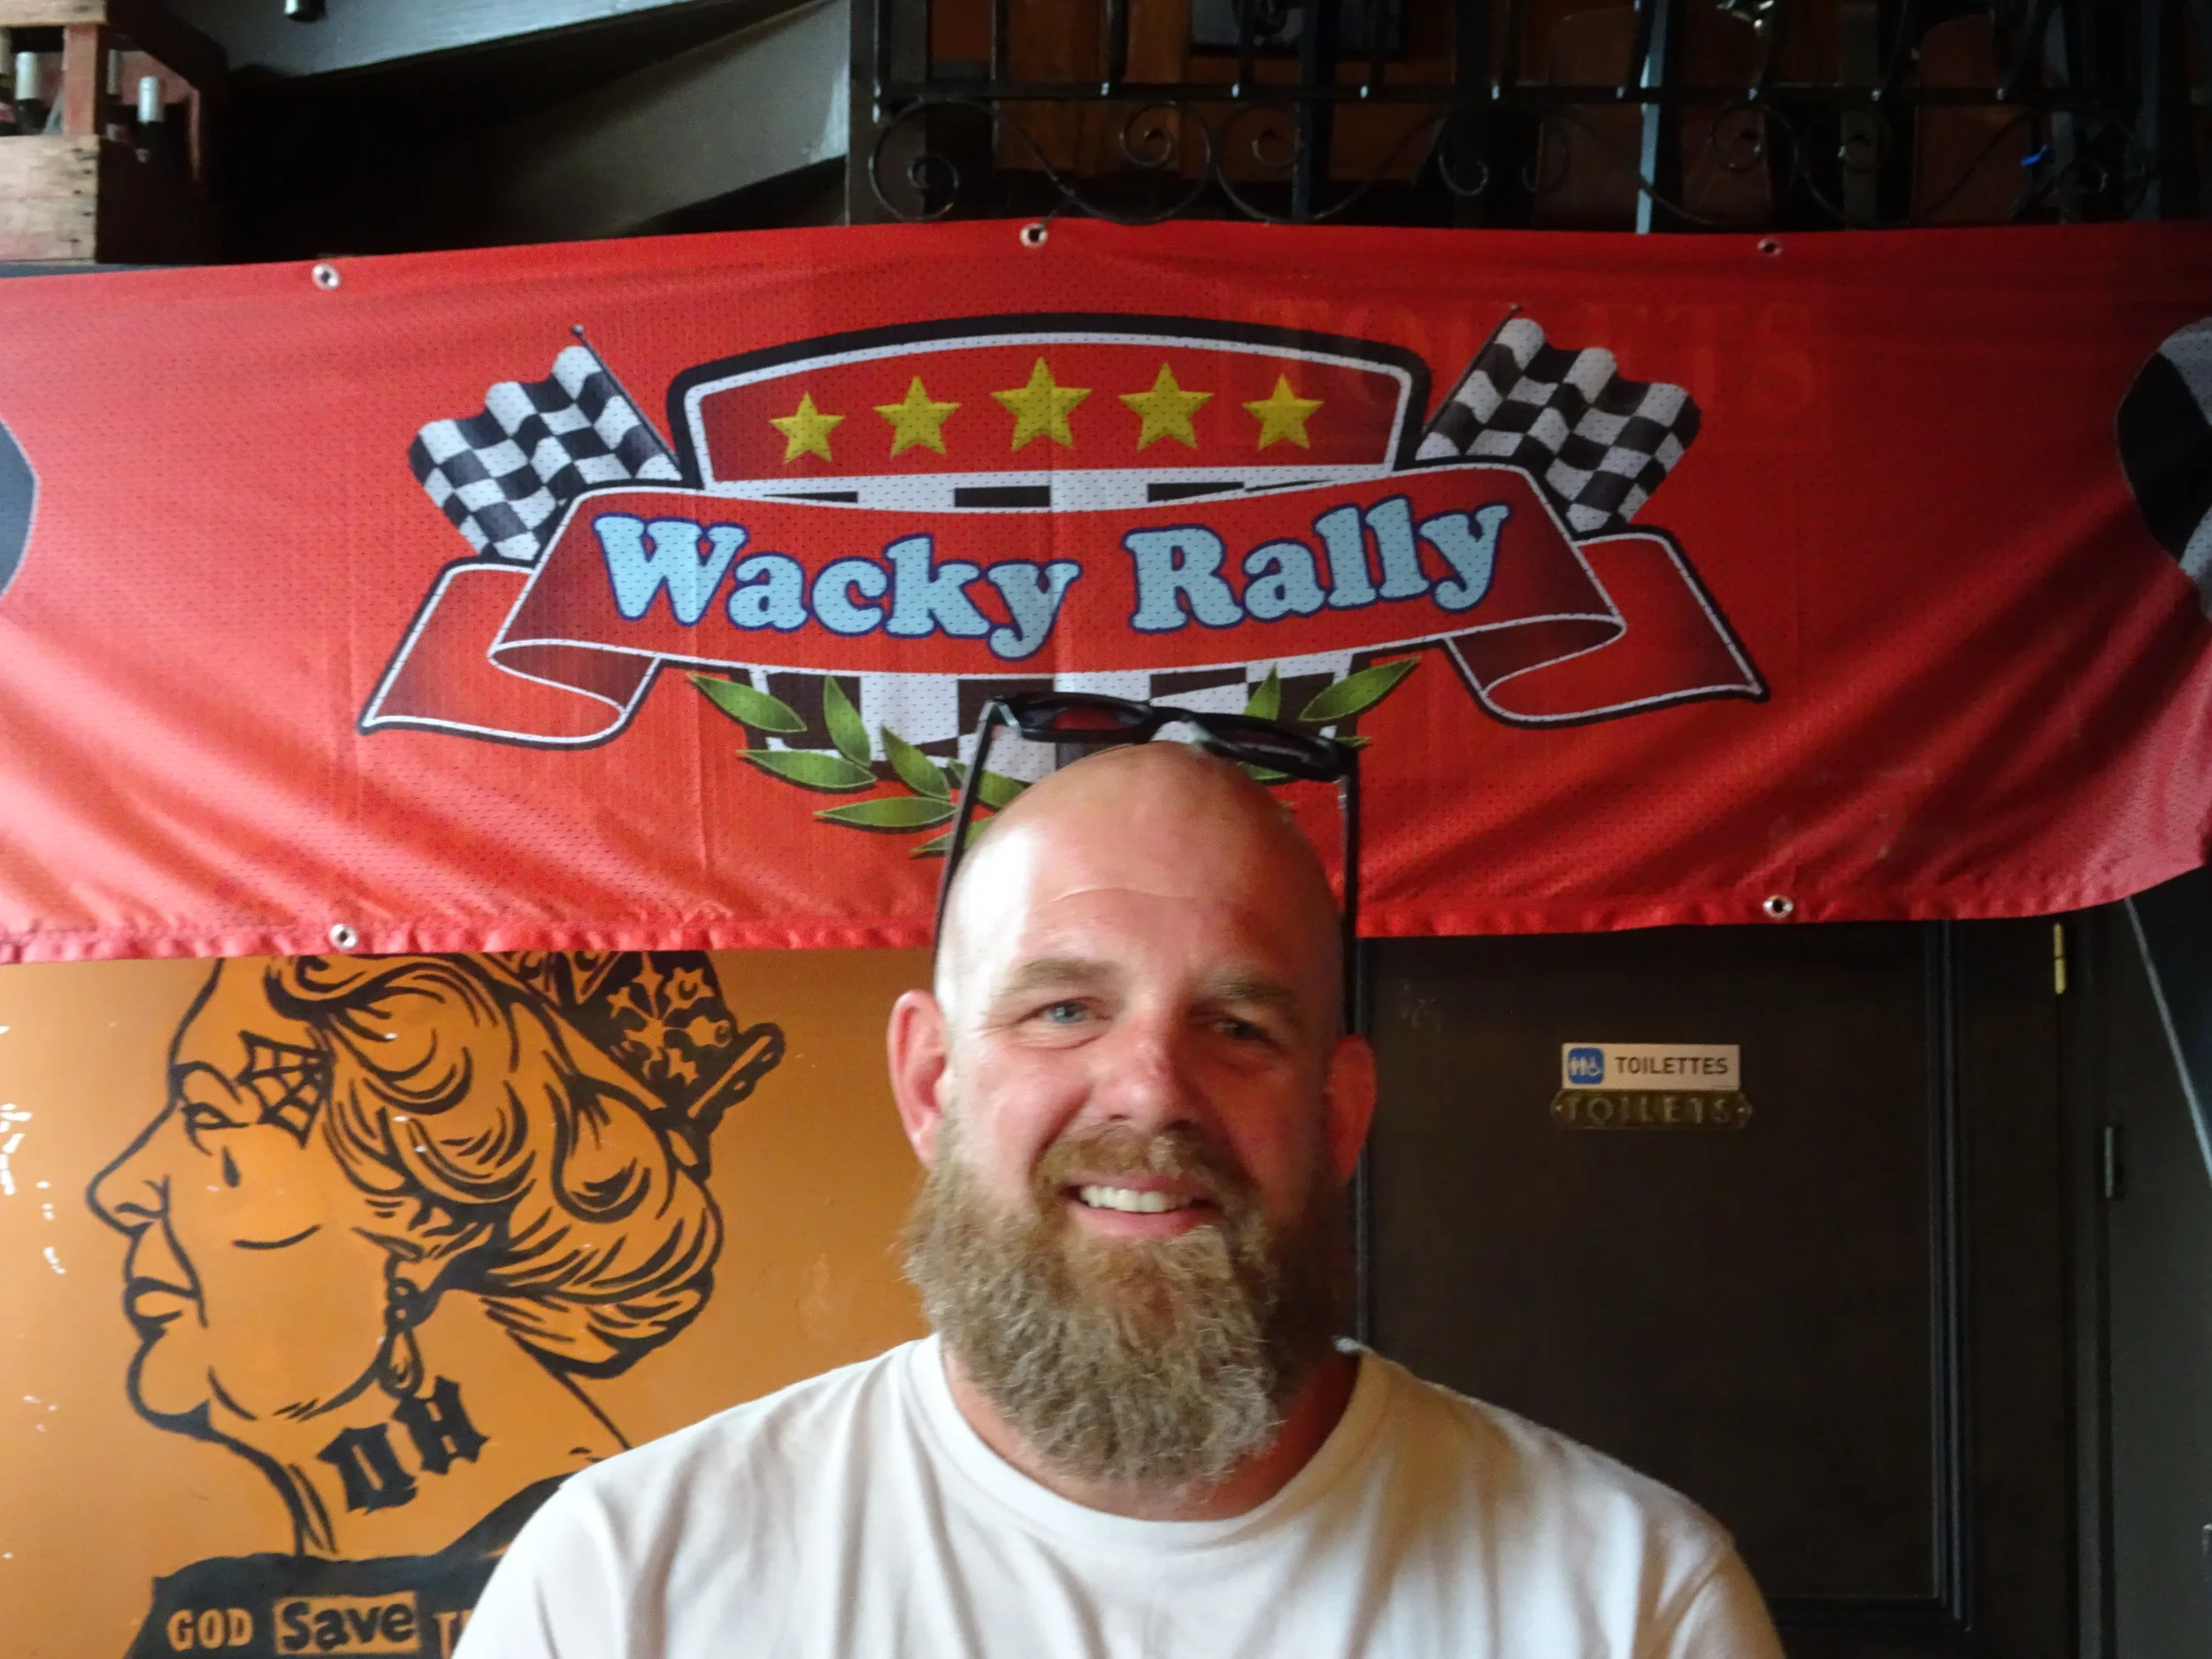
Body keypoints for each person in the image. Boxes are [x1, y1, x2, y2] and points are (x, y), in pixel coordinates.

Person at [459, 742, 1786, 1656]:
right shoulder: (623, 1584)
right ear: (932, 1079)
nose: (1150, 1088)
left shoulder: (1629, 1601)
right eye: (1064, 1007)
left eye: (1238, 1023)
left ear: (1338, 1115)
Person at [88, 950, 783, 1658]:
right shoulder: (202, 1618)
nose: (120, 1189)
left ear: (435, 1217)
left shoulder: (645, 1586)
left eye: (208, 1115)